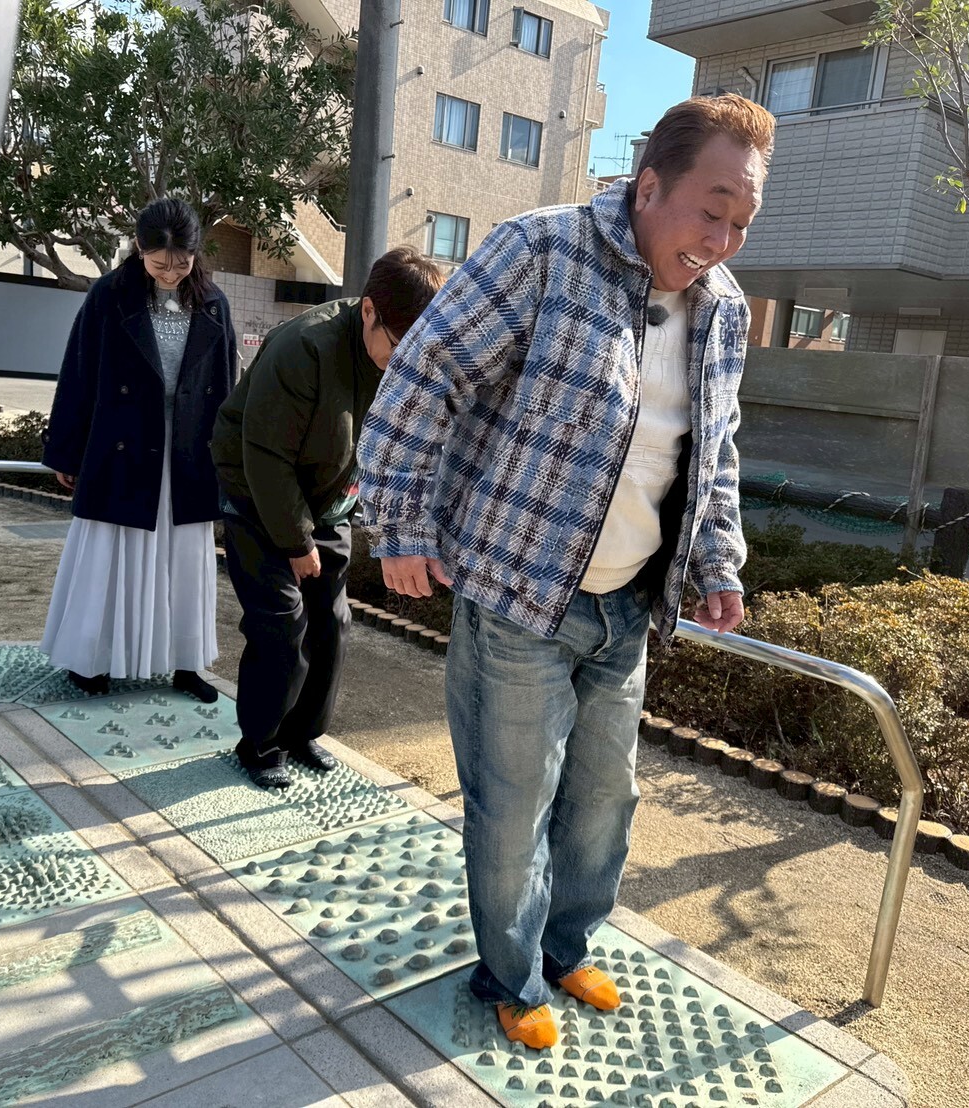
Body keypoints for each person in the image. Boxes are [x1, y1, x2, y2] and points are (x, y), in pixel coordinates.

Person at [356, 95, 775, 1049]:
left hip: (626, 605)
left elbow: (712, 450)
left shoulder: (722, 311)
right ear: (650, 183)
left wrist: (715, 559)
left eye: (741, 223)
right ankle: (507, 974)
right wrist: (402, 524)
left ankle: (565, 945)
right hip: (519, 596)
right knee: (513, 806)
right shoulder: (541, 252)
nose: (720, 237)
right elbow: (424, 380)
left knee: (601, 800)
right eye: (709, 209)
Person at [211, 246, 445, 788]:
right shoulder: (304, 348)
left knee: (332, 622)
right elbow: (265, 456)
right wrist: (296, 543)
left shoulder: (408, 355)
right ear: (368, 311)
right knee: (281, 625)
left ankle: (303, 733)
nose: (408, 358)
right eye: (398, 344)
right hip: (257, 491)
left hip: (329, 497)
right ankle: (260, 742)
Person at [40, 197, 236, 702]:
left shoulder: (213, 301)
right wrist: (67, 451)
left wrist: (231, 457)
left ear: (196, 253)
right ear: (139, 249)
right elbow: (78, 372)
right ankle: (91, 660)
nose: (171, 272)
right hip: (122, 443)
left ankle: (186, 663)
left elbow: (227, 386)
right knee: (109, 554)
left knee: (187, 558)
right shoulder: (110, 294)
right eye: (159, 261)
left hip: (189, 448)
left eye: (182, 261)